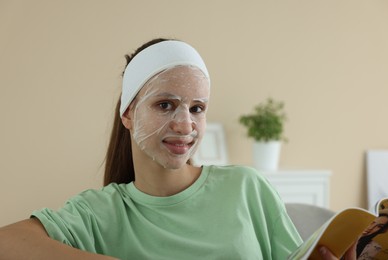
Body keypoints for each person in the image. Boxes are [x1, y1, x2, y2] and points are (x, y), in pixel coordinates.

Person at [0, 38, 342, 259]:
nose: (185, 125)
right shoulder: (98, 213)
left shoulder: (246, 188)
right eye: (165, 105)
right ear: (129, 114)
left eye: (197, 108)